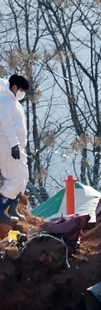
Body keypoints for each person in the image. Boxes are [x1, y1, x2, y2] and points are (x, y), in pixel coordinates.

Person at [0, 74, 31, 223]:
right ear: (14, 87)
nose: (22, 93)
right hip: (7, 146)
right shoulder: (5, 101)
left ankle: (11, 207)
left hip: (15, 147)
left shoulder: (12, 102)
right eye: (22, 90)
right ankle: (2, 207)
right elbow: (5, 125)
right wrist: (14, 144)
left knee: (23, 177)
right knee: (16, 177)